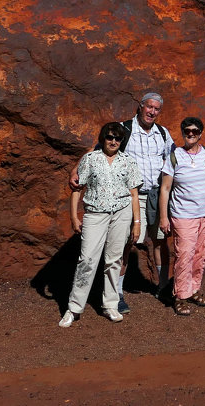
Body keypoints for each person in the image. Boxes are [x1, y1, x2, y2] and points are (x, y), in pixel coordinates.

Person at [72, 92, 171, 312]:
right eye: (149, 107)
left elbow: (174, 159)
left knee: (160, 241)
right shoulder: (123, 129)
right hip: (132, 196)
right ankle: (116, 294)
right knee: (126, 244)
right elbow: (98, 147)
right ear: (140, 106)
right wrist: (75, 169)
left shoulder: (163, 134)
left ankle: (163, 287)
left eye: (157, 109)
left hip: (157, 195)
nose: (152, 112)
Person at [59, 122, 142, 327]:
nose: (113, 141)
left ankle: (110, 304)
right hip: (95, 214)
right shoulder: (90, 159)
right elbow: (78, 189)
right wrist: (74, 217)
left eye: (118, 138)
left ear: (122, 141)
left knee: (114, 259)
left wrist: (137, 223)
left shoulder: (128, 162)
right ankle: (74, 308)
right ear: (103, 138)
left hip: (121, 214)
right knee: (87, 259)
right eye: (110, 137)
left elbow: (133, 194)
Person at [159, 116, 205, 316]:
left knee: (201, 254)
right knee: (184, 255)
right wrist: (164, 217)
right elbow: (165, 188)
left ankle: (194, 290)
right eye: (187, 131)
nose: (190, 134)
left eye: (195, 131)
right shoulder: (175, 155)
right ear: (182, 133)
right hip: (184, 215)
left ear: (200, 134)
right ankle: (180, 296)